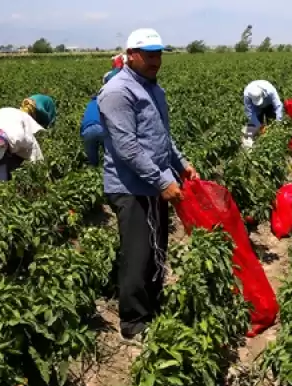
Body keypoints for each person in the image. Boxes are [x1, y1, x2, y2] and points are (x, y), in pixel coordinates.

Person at [98, 28, 199, 343]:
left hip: (156, 182)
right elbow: (127, 148)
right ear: (131, 55)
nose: (156, 60)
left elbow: (161, 137)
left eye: (159, 54)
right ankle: (133, 322)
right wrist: (161, 180)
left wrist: (181, 164)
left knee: (158, 247)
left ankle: (152, 306)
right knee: (138, 253)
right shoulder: (118, 92)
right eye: (149, 54)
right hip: (131, 186)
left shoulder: (154, 90)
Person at [0, 94, 57, 182]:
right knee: (0, 167)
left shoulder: (19, 137)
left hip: (16, 118)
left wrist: (37, 169)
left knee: (15, 163)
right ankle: (2, 180)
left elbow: (33, 147)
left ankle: (13, 176)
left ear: (6, 147)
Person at [79, 68, 121, 166]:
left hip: (87, 130)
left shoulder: (91, 103)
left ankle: (94, 167)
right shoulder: (108, 100)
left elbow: (83, 122)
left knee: (92, 156)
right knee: (110, 153)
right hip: (102, 128)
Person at [242, 80, 284, 147]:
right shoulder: (247, 94)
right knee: (254, 123)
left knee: (272, 121)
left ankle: (272, 137)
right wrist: (260, 126)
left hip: (269, 104)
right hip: (255, 108)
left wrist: (278, 121)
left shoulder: (270, 90)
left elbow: (278, 106)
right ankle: (249, 140)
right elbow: (249, 112)